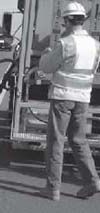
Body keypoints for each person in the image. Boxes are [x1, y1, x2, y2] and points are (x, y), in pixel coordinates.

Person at [38, 1, 100, 201]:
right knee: (78, 140)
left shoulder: (66, 44)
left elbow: (47, 67)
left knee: (56, 141)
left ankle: (53, 188)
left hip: (63, 98)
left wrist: (46, 55)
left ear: (66, 21)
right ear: (83, 20)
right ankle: (92, 181)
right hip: (83, 99)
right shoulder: (95, 45)